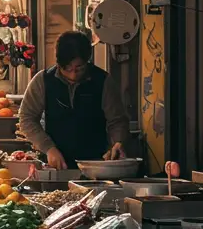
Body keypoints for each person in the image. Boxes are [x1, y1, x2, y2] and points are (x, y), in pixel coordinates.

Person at [18, 29, 130, 168]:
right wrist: (48, 148)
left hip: (96, 164)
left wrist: (118, 142)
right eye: (67, 68)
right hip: (56, 164)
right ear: (58, 63)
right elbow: (27, 118)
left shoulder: (103, 81)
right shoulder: (43, 80)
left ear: (87, 60)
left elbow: (117, 120)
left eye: (79, 68)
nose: (73, 75)